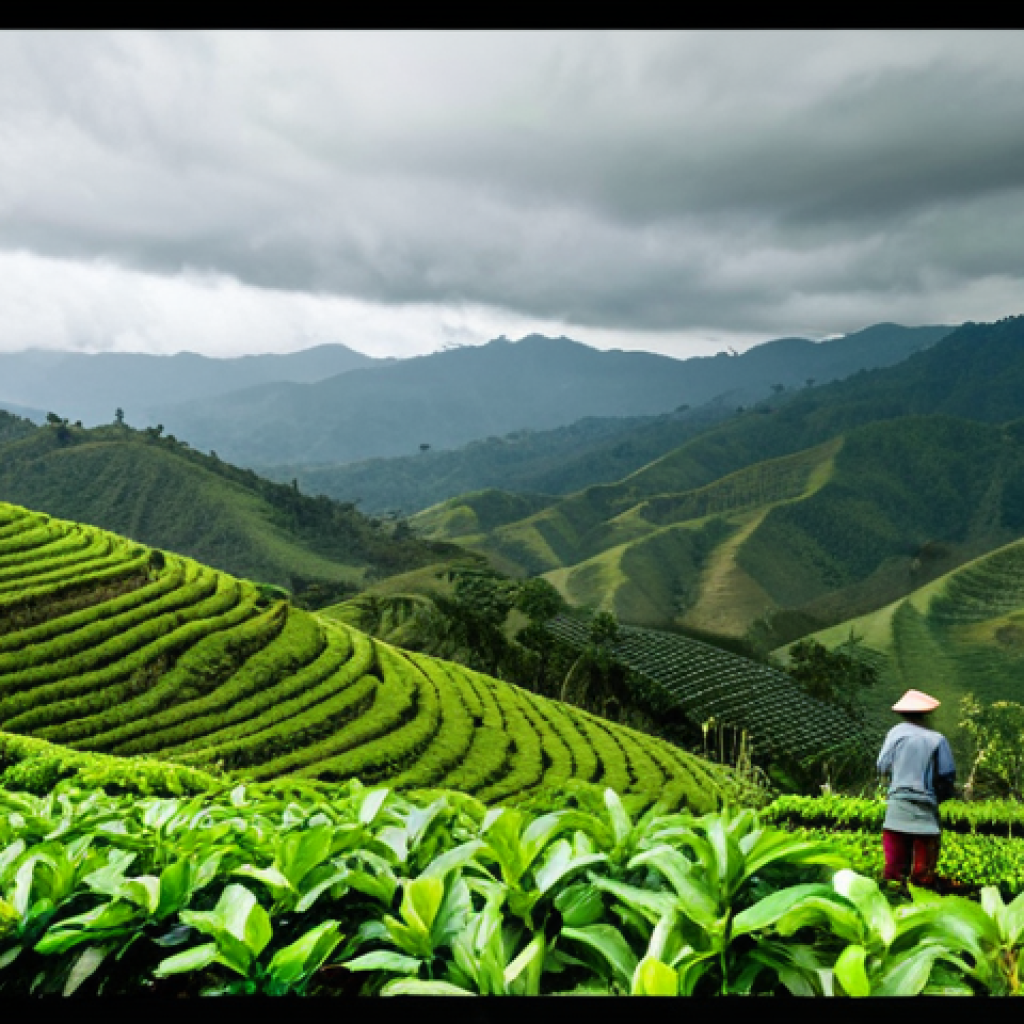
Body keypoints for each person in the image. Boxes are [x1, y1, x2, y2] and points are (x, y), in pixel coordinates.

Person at [876, 688, 956, 888]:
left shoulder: (894, 733)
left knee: (894, 872)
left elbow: (882, 766)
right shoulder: (937, 739)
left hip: (897, 810)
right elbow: (947, 774)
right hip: (925, 812)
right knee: (922, 875)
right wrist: (939, 796)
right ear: (926, 714)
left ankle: (895, 899)